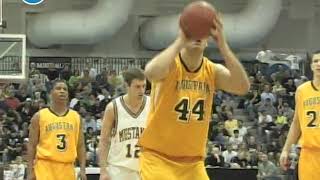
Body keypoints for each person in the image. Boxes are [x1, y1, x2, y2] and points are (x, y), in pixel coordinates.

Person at [138, 11, 250, 180]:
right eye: (193, 33)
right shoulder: (170, 65)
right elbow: (151, 73)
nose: (197, 37)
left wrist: (223, 46)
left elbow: (242, 87)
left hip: (193, 163)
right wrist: (179, 41)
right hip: (158, 158)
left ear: (207, 41)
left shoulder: (212, 71)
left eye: (202, 33)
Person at [27, 80, 86, 180]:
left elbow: (80, 145)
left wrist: (83, 169)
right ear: (51, 94)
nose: (62, 91)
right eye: (58, 88)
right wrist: (30, 171)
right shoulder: (39, 116)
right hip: (45, 167)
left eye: (65, 89)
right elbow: (32, 145)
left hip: (67, 168)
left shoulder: (76, 117)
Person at [98, 68, 150, 180]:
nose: (142, 90)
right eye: (137, 86)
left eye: (144, 86)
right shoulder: (113, 108)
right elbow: (104, 140)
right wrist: (103, 170)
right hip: (119, 170)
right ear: (127, 85)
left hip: (145, 168)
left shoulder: (152, 105)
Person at [280, 50, 320, 180]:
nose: (319, 64)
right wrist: (286, 150)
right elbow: (296, 123)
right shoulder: (302, 90)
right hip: (309, 153)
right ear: (311, 66)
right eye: (316, 61)